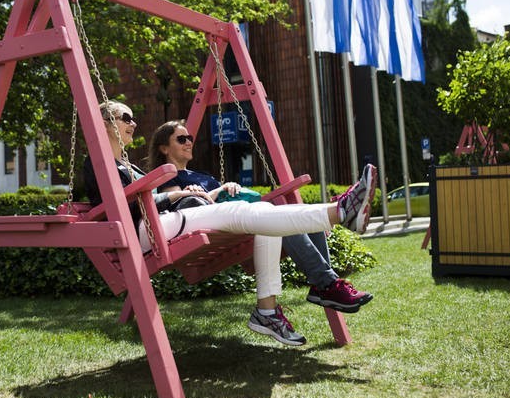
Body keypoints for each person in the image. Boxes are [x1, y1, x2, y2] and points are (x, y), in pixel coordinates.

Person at [83, 101, 377, 347]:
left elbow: (147, 196)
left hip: (166, 223)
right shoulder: (99, 162)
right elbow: (124, 205)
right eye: (125, 118)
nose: (133, 123)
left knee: (260, 214)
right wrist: (177, 193)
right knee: (240, 212)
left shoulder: (126, 164)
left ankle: (267, 311)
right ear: (104, 123)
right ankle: (340, 211)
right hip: (147, 232)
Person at [148, 120, 373, 313]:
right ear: (164, 148)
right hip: (218, 227)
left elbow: (217, 199)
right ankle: (327, 282)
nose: (189, 142)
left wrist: (228, 186)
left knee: (293, 210)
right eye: (181, 139)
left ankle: (325, 284)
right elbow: (177, 203)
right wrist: (212, 194)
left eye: (189, 137)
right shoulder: (165, 177)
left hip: (237, 215)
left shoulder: (202, 175)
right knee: (280, 220)